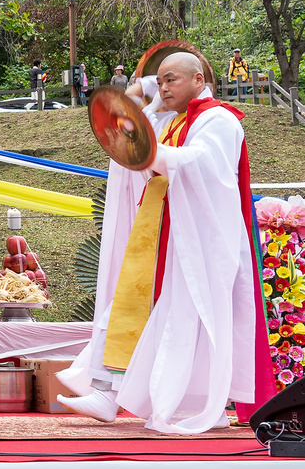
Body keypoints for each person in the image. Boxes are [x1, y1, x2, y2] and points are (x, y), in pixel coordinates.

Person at [56, 51, 269, 433]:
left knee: (184, 318)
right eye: (161, 81)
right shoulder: (171, 120)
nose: (164, 87)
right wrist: (142, 95)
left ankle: (195, 404)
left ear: (199, 80)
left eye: (172, 79)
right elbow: (135, 127)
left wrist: (152, 151)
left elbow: (204, 164)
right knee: (127, 306)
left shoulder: (218, 118)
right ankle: (106, 392)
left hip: (194, 240)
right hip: (156, 230)